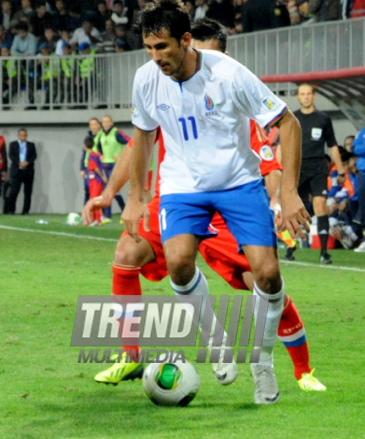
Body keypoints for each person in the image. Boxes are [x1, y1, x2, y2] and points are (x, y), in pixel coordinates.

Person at [86, 17, 325, 395]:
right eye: (149, 48)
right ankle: (147, 352)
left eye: (162, 48)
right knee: (140, 253)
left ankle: (283, 365)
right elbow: (140, 142)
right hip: (181, 189)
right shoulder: (150, 79)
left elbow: (273, 156)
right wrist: (124, 196)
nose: (155, 57)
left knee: (265, 276)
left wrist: (284, 196)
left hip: (234, 192)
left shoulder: (234, 85)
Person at [286, 83, 344, 264]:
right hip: (298, 167)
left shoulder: (323, 118)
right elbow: (285, 145)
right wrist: (282, 168)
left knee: (320, 206)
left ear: (314, 96)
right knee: (296, 209)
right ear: (297, 97)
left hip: (319, 166)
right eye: (302, 94)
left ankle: (324, 252)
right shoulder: (292, 118)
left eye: (308, 94)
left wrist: (341, 169)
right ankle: (290, 248)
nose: (305, 97)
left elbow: (332, 145)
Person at [96, 115, 130, 220]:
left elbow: (130, 142)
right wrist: (100, 154)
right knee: (106, 190)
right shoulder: (101, 134)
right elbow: (98, 146)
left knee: (114, 190)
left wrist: (121, 156)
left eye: (107, 121)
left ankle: (124, 211)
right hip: (105, 165)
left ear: (111, 123)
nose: (105, 124)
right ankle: (107, 215)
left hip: (115, 165)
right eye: (103, 122)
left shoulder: (116, 132)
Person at [6, 128, 37, 215]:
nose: (23, 137)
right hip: (17, 171)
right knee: (14, 191)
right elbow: (11, 156)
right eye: (21, 135)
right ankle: (11, 210)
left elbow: (34, 156)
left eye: (25, 135)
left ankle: (25, 211)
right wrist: (19, 163)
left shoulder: (31, 145)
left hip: (28, 171)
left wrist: (27, 163)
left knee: (28, 192)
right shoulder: (13, 144)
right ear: (18, 135)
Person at [83, 136, 107, 226]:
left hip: (95, 180)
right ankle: (94, 219)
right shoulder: (95, 155)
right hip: (94, 180)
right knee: (94, 199)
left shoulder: (92, 156)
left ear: (85, 146)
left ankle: (98, 220)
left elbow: (96, 168)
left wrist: (102, 176)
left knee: (94, 200)